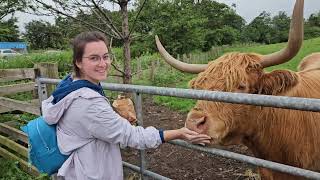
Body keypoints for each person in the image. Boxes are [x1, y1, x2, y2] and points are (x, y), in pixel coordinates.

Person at [41, 31, 211, 180]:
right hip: (93, 173)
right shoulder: (88, 102)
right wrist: (178, 133)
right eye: (94, 58)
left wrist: (114, 115)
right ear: (78, 62)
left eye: (106, 56)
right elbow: (133, 137)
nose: (103, 63)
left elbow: (93, 124)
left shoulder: (69, 85)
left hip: (79, 168)